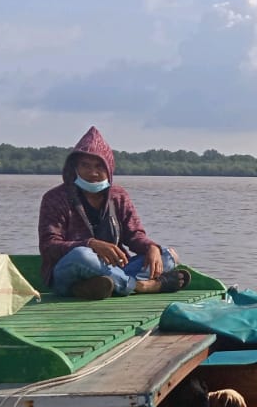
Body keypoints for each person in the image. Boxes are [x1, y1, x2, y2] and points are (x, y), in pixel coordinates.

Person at [38, 126, 190, 300]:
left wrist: (151, 247)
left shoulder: (118, 196)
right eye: (85, 165)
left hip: (115, 268)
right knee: (83, 255)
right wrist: (90, 244)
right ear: (75, 168)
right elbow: (48, 246)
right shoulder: (55, 198)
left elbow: (134, 236)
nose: (93, 173)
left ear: (109, 168)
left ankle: (96, 287)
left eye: (99, 166)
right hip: (70, 271)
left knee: (168, 255)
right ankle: (141, 286)